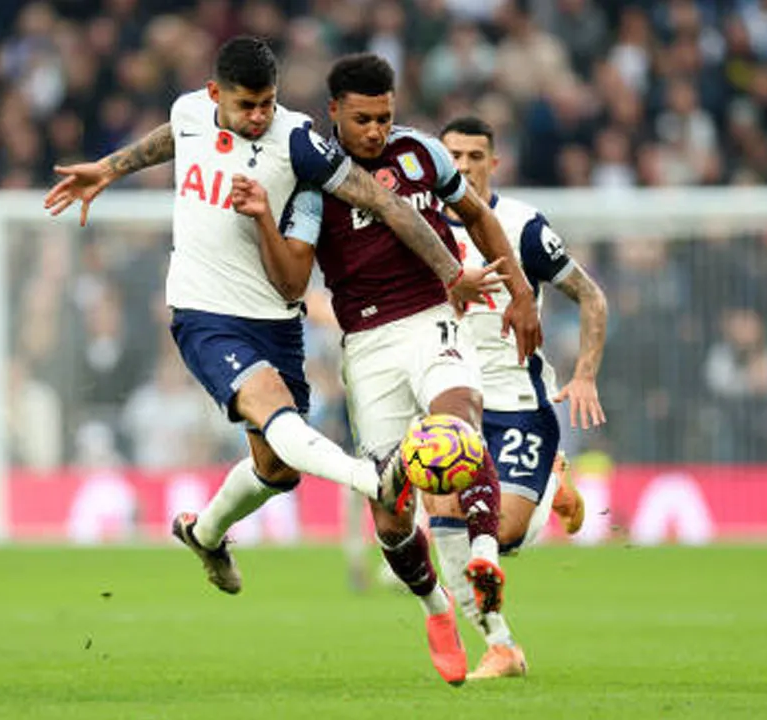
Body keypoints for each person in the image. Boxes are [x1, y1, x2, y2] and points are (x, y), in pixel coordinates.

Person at [43, 38, 497, 682]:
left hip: (275, 322)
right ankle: (375, 480)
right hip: (204, 314)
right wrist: (110, 169)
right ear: (215, 96)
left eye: (267, 104)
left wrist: (452, 272)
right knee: (277, 413)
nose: (258, 116)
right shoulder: (190, 112)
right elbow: (171, 136)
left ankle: (203, 534)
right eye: (246, 105)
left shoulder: (301, 143)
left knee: (277, 467)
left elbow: (384, 203)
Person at [228, 53, 543, 684]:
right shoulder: (316, 181)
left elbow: (477, 215)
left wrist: (522, 293)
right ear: (336, 113)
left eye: (386, 117)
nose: (377, 131)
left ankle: (483, 554)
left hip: (434, 317)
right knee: (392, 513)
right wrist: (263, 216)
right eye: (364, 119)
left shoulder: (423, 154)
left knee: (459, 421)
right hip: (367, 344)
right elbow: (293, 280)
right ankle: (435, 607)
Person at [434, 116, 609, 678]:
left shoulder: (523, 226)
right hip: (450, 397)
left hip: (517, 408)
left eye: (474, 156)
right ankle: (502, 646)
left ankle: (551, 481)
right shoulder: (419, 224)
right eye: (453, 156)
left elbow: (591, 296)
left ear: (494, 162)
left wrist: (584, 375)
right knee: (447, 526)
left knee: (501, 534)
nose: (462, 166)